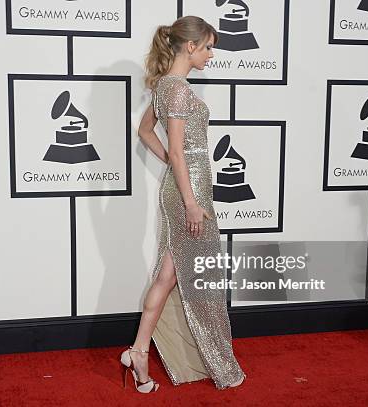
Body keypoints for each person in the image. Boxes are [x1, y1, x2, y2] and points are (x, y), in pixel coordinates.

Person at [120, 16, 246, 393]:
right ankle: (156, 353)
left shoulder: (168, 86)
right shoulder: (176, 89)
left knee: (168, 274)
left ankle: (139, 353)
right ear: (190, 46)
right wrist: (190, 199)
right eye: (208, 47)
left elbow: (146, 131)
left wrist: (178, 170)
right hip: (190, 195)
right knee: (193, 276)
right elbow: (176, 149)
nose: (211, 54)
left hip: (186, 186)